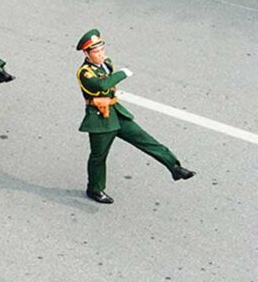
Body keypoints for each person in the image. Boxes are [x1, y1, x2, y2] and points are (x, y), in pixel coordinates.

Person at [74, 29, 195, 204]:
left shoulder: (107, 63)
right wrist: (122, 73)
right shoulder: (84, 73)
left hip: (115, 111)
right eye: (96, 52)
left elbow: (109, 84)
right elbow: (102, 85)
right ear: (86, 53)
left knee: (144, 138)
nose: (100, 54)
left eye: (102, 50)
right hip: (99, 118)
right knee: (98, 157)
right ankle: (95, 189)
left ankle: (174, 167)